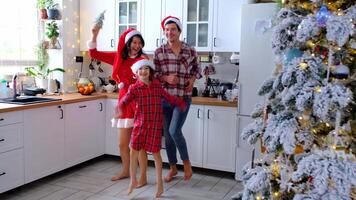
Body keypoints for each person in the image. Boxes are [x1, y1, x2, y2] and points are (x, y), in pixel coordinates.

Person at [88, 26, 148, 186]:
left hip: (138, 104)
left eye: (139, 43)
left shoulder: (143, 60)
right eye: (134, 42)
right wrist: (94, 35)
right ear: (128, 43)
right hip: (124, 104)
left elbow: (149, 81)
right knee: (122, 143)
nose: (137, 46)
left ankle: (142, 176)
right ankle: (126, 171)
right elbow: (94, 54)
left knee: (139, 145)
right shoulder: (117, 58)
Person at [117, 59, 186, 197]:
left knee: (156, 155)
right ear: (136, 73)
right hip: (139, 126)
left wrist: (180, 103)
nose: (143, 71)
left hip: (154, 126)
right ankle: (132, 181)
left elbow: (168, 97)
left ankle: (160, 185)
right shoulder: (134, 88)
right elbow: (124, 101)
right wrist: (119, 108)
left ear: (150, 72)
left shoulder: (157, 87)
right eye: (140, 69)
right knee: (133, 153)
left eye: (146, 69)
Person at [153, 16, 202, 182]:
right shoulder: (159, 52)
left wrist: (192, 80)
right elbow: (154, 75)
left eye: (173, 29)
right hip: (165, 99)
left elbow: (197, 69)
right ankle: (173, 168)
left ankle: (186, 163)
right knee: (167, 135)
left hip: (182, 98)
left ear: (179, 31)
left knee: (174, 131)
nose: (169, 32)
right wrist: (166, 78)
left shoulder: (190, 50)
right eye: (167, 30)